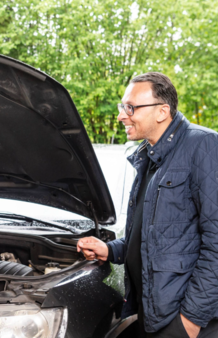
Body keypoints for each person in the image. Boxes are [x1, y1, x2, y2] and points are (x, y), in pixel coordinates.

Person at [77, 73, 218, 338]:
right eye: (122, 107)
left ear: (162, 111)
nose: (121, 115)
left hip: (186, 322)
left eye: (131, 107)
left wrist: (190, 321)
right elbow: (151, 236)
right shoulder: (148, 156)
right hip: (152, 314)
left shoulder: (205, 145)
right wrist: (109, 249)